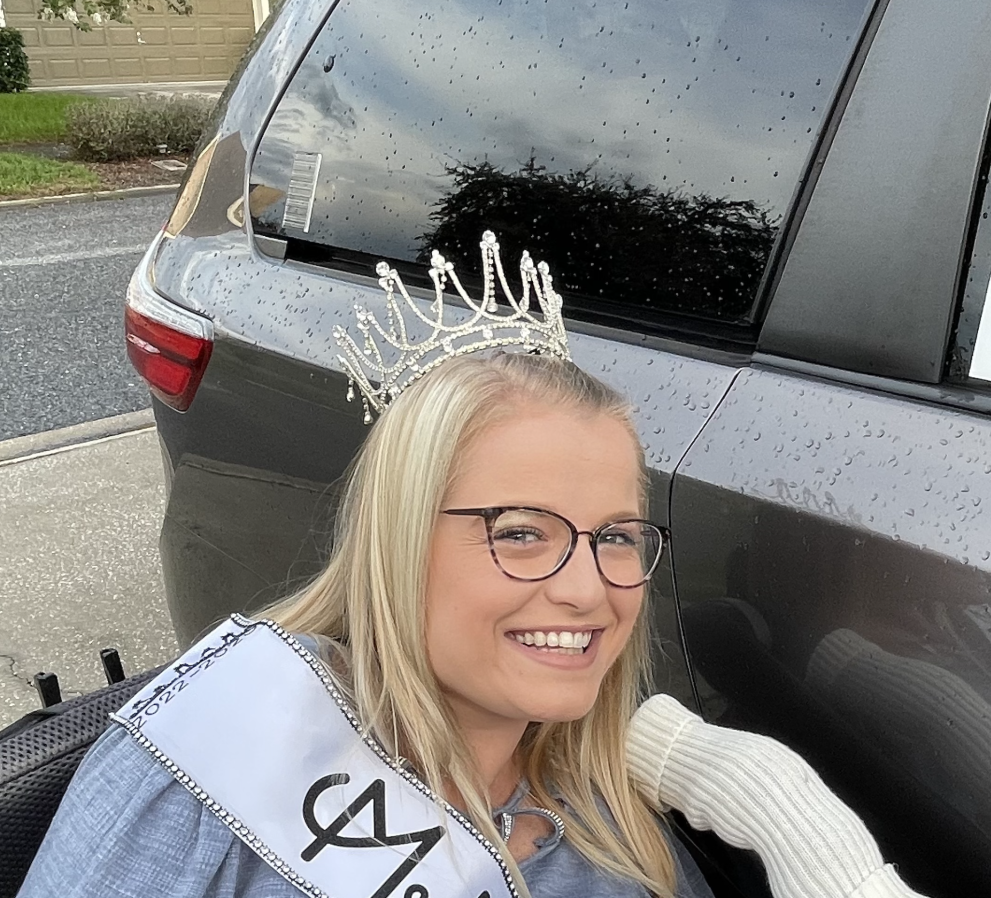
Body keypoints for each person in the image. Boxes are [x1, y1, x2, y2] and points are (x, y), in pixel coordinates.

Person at [18, 234, 928, 898]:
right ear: (400, 541)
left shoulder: (618, 838)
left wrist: (786, 815)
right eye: (522, 532)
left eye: (617, 535)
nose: (588, 589)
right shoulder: (213, 765)